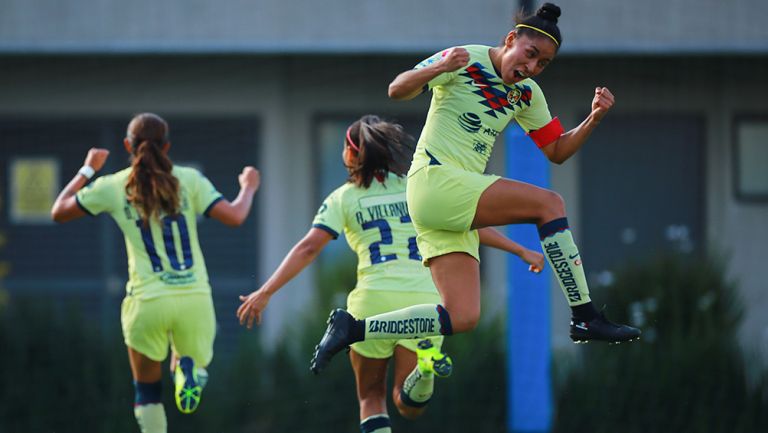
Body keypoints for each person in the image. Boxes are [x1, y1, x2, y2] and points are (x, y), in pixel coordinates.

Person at [310, 3, 641, 374]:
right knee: (549, 203)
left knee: (462, 316)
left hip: (448, 204)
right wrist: (440, 67)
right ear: (511, 39)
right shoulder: (466, 59)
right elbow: (396, 89)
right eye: (531, 54)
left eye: (543, 64)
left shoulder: (527, 94)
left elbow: (557, 151)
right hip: (435, 181)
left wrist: (593, 119)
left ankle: (352, 328)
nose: (532, 67)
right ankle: (584, 315)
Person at [237, 115, 543, 433]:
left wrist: (266, 291)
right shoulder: (417, 188)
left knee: (371, 398)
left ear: (353, 155)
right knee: (408, 405)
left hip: (373, 301)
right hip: (426, 302)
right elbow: (465, 223)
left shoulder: (343, 198)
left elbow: (308, 249)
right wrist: (518, 249)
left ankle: (420, 372)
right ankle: (424, 371)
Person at [50, 113, 260, 433]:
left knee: (147, 392)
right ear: (167, 146)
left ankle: (176, 384)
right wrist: (248, 188)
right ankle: (189, 373)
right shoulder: (188, 179)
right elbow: (235, 216)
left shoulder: (114, 185)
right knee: (196, 361)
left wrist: (88, 169)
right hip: (194, 298)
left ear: (127, 146)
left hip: (147, 302)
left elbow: (59, 211)